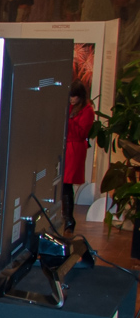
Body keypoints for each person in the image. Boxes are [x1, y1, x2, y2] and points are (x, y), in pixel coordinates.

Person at [63, 81, 94, 233]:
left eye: (74, 96)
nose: (72, 99)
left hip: (74, 148)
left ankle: (69, 218)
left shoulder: (87, 111)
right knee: (64, 184)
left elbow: (82, 133)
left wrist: (69, 120)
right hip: (67, 146)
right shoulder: (69, 107)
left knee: (67, 183)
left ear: (80, 96)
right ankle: (67, 218)